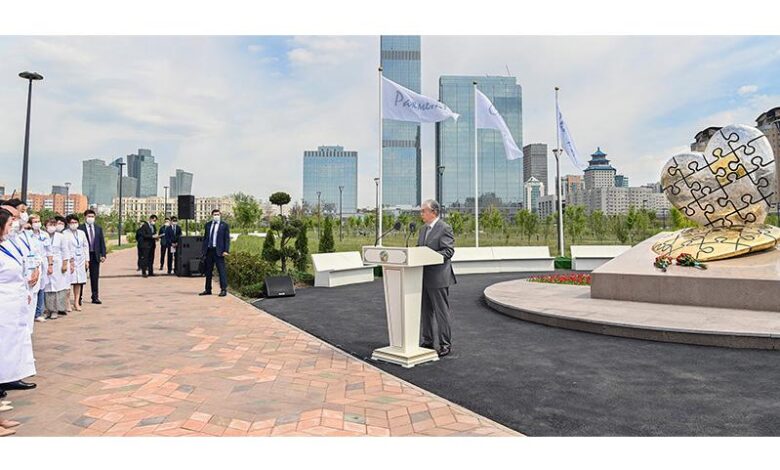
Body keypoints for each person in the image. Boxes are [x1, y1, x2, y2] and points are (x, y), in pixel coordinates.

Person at [0, 206, 38, 403]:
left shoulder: (9, 243)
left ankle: (11, 376)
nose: (13, 225)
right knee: (4, 342)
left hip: (16, 299)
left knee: (15, 341)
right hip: (4, 302)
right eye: (10, 222)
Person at [416, 199, 457, 358]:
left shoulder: (444, 228)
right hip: (423, 276)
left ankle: (445, 344)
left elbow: (448, 251)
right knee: (426, 312)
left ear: (433, 212)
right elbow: (419, 250)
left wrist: (429, 256)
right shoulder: (422, 230)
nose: (421, 214)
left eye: (423, 211)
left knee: (441, 312)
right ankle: (427, 341)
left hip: (438, 277)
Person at [44, 217, 71, 320]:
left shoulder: (61, 237)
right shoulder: (43, 236)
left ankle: (56, 310)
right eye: (49, 225)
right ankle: (48, 309)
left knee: (58, 287)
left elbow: (65, 251)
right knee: (47, 287)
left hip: (58, 264)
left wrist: (65, 264)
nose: (52, 227)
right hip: (46, 263)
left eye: (53, 225)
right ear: (45, 226)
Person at [199, 209, 230, 297]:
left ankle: (223, 289)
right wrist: (203, 250)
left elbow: (226, 239)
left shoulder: (224, 225)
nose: (216, 216)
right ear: (212, 215)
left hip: (219, 251)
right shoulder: (208, 225)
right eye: (214, 214)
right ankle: (208, 289)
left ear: (220, 215)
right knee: (208, 271)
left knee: (221, 271)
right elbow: (205, 238)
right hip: (209, 250)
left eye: (218, 214)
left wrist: (226, 250)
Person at [79, 209, 106, 304]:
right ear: (85, 217)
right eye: (89, 216)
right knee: (81, 277)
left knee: (94, 277)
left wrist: (103, 254)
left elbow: (102, 242)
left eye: (92, 216)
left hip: (95, 255)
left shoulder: (98, 228)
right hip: (83, 256)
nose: (91, 218)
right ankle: (79, 297)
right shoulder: (80, 228)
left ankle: (95, 297)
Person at [29, 214, 52, 323]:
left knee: (42, 288)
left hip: (43, 264)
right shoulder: (28, 235)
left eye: (38, 221)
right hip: (32, 264)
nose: (37, 223)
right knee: (32, 288)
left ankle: (39, 312)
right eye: (34, 222)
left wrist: (50, 265)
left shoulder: (44, 235)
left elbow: (49, 251)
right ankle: (30, 312)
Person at [65, 214, 88, 311]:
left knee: (78, 282)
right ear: (68, 223)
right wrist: (70, 260)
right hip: (70, 260)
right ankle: (67, 303)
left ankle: (76, 302)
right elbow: (65, 248)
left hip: (81, 260)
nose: (74, 224)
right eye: (72, 222)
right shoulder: (65, 233)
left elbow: (85, 246)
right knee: (68, 282)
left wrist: (87, 260)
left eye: (75, 222)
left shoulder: (81, 233)